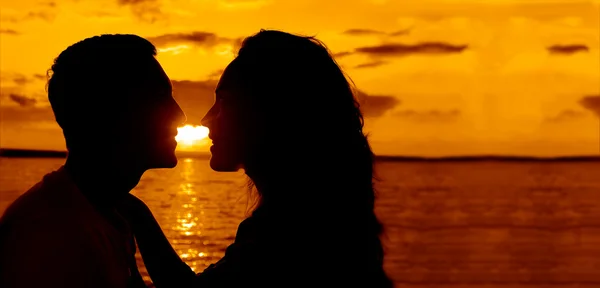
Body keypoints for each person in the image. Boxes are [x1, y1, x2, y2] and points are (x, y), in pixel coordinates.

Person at [119, 29, 393, 288]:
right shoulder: (318, 214)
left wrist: (133, 213)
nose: (205, 120)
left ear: (268, 113)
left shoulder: (294, 232)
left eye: (223, 102)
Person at [0, 34, 185, 288]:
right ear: (111, 114)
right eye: (160, 97)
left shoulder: (105, 212)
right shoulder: (52, 237)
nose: (180, 115)